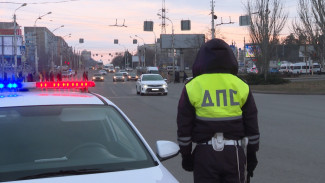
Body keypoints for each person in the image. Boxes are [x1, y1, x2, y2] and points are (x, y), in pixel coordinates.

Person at [177, 38, 259, 183]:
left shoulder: (192, 86)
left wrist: (186, 155)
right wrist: (252, 154)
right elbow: (251, 124)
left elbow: (184, 125)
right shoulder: (241, 85)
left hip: (204, 155)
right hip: (234, 154)